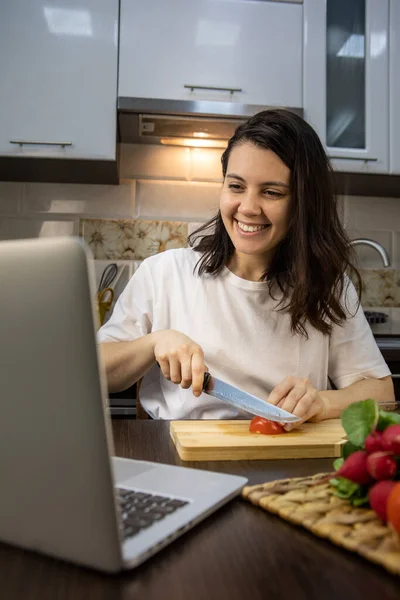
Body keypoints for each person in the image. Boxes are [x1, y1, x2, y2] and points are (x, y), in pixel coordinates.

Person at [98, 109, 394, 428]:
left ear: (303, 203)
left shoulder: (329, 287)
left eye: (271, 192)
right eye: (236, 186)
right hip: (179, 456)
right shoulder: (164, 273)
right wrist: (153, 343)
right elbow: (94, 372)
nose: (248, 208)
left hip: (289, 461)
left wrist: (321, 402)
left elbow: (381, 392)